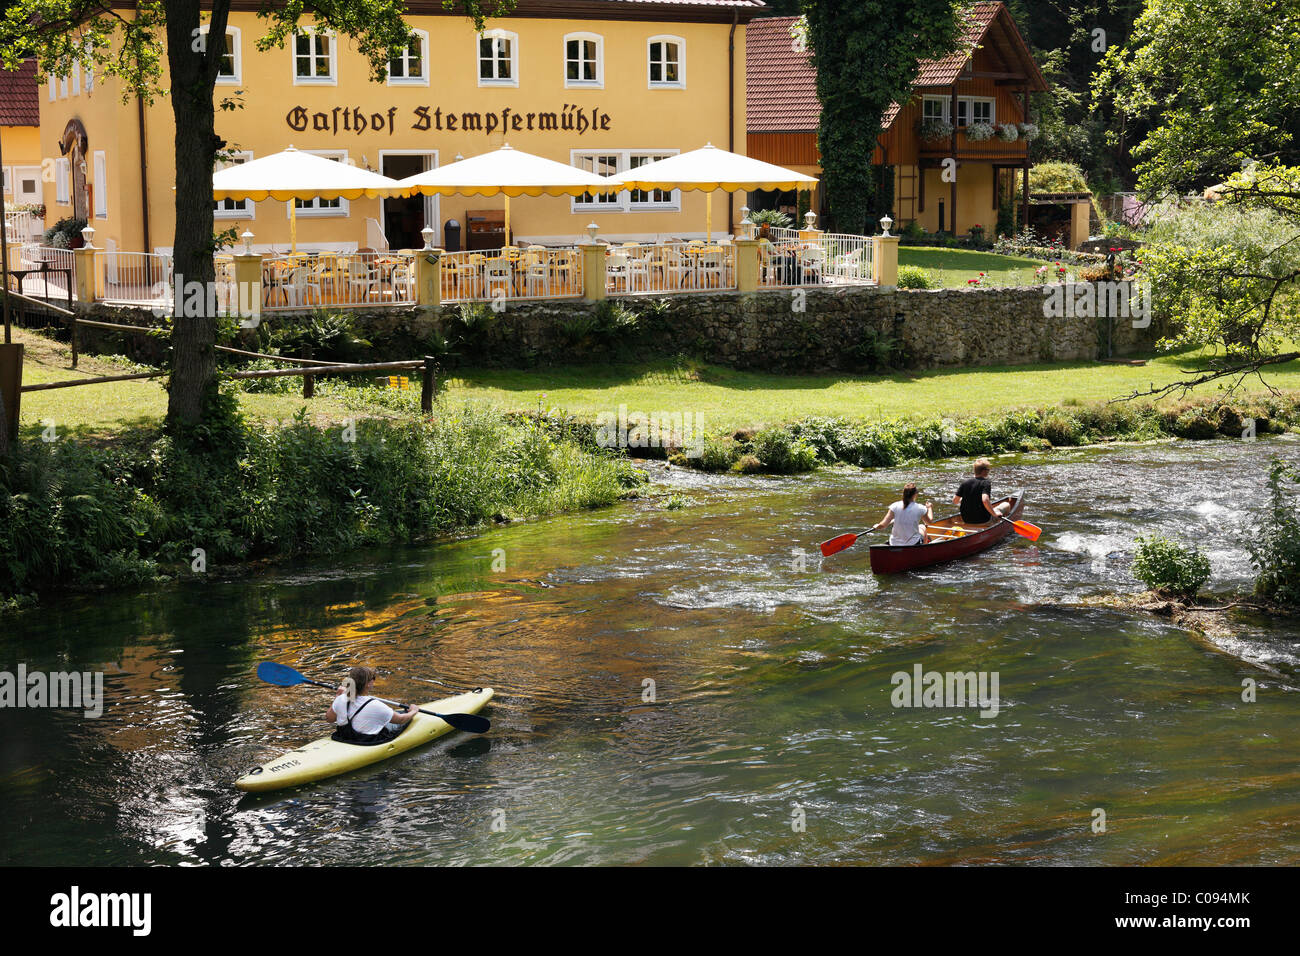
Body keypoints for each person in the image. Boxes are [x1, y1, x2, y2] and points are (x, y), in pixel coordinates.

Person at [327, 665, 419, 745]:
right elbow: (401, 720)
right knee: (405, 716)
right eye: (373, 678)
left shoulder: (340, 699)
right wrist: (414, 711)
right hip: (368, 741)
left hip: (345, 737)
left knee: (394, 714)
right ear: (367, 684)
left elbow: (329, 719)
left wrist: (338, 696)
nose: (374, 681)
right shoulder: (376, 705)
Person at [953, 458, 1011, 525]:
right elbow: (985, 500)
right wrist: (995, 514)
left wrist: (967, 500)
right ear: (984, 471)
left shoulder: (965, 483)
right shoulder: (985, 483)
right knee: (1007, 505)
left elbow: (955, 501)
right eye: (988, 470)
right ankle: (1001, 525)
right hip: (984, 521)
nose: (988, 471)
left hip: (966, 520)